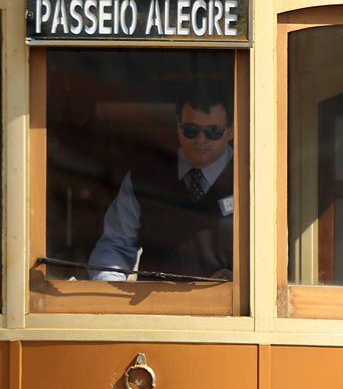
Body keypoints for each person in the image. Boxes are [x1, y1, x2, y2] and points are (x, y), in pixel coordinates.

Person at [87, 86, 234, 280]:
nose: (201, 139)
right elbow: (116, 246)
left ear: (230, 131)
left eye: (213, 132)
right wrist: (108, 289)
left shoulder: (251, 179)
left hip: (227, 307)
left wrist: (241, 280)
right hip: (155, 307)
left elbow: (272, 255)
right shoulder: (144, 178)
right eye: (191, 130)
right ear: (178, 127)